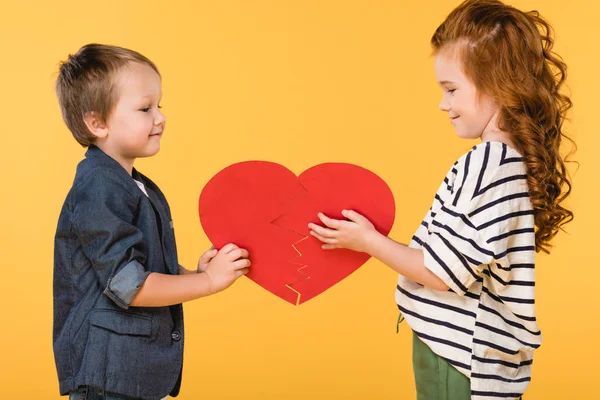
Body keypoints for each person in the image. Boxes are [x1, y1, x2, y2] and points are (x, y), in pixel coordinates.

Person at [308, 1, 574, 398]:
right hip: (468, 352)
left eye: (451, 89)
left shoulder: (490, 163)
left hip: (461, 357)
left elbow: (440, 273)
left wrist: (367, 241)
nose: (442, 103)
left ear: (499, 85)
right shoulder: (504, 162)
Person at [53, 43, 251, 400]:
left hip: (131, 370)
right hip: (108, 373)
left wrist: (188, 274)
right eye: (145, 108)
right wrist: (207, 282)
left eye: (160, 106)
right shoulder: (99, 186)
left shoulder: (132, 184)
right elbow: (130, 285)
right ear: (97, 123)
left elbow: (137, 265)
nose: (160, 117)